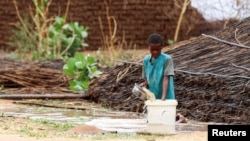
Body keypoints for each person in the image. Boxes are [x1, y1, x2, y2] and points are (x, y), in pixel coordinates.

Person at [140, 33, 175, 100]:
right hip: (153, 96)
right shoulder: (146, 60)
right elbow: (148, 79)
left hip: (166, 97)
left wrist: (163, 97)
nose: (155, 52)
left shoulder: (167, 59)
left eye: (157, 50)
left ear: (161, 47)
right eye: (152, 50)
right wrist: (144, 84)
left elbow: (166, 78)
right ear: (149, 47)